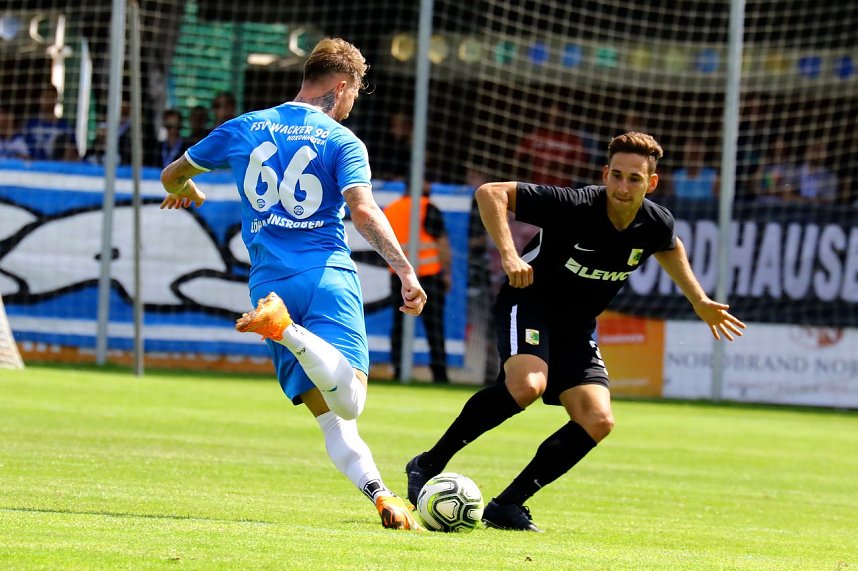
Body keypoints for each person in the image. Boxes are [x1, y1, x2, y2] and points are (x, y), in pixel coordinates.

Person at [405, 131, 747, 532]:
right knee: (527, 386)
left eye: (634, 179)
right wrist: (510, 255)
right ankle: (428, 463)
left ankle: (507, 504)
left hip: (577, 327)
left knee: (597, 420)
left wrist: (699, 299)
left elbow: (670, 245)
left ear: (651, 183)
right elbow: (490, 193)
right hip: (528, 303)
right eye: (616, 175)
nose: (622, 187)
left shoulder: (655, 222)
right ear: (605, 174)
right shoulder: (575, 204)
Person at [160, 37, 427, 531]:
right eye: (354, 94)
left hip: (269, 286)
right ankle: (286, 330)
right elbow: (364, 210)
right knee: (350, 402)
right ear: (341, 86)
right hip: (325, 277)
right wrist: (406, 271)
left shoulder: (244, 126)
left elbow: (171, 175)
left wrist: (186, 189)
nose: (351, 105)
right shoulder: (342, 141)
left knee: (332, 417)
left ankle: (380, 494)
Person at [384, 182, 452, 383]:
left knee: (399, 324)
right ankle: (440, 374)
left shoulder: (391, 208)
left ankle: (398, 370)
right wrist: (447, 273)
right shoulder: (428, 207)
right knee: (434, 327)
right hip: (429, 275)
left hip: (399, 276)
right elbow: (442, 243)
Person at [513, 101, 586, 187]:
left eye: (557, 116)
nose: (553, 119)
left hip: (562, 189)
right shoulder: (536, 135)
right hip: (535, 187)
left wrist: (560, 166)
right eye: (551, 115)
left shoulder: (573, 140)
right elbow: (517, 158)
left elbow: (582, 167)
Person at [22, 84, 76, 161]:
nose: (48, 101)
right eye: (45, 97)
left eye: (51, 97)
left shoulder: (66, 127)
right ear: (40, 99)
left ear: (57, 100)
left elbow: (73, 153)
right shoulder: (30, 125)